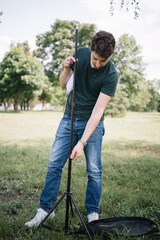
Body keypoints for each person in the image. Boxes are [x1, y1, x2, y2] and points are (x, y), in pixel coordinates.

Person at [25, 31, 118, 227]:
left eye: (103, 60)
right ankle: (45, 210)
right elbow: (62, 84)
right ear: (90, 49)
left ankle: (92, 213)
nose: (97, 63)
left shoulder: (111, 74)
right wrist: (66, 69)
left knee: (94, 170)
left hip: (92, 123)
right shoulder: (81, 53)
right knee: (54, 164)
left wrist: (82, 142)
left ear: (110, 56)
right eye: (95, 58)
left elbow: (97, 112)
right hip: (69, 118)